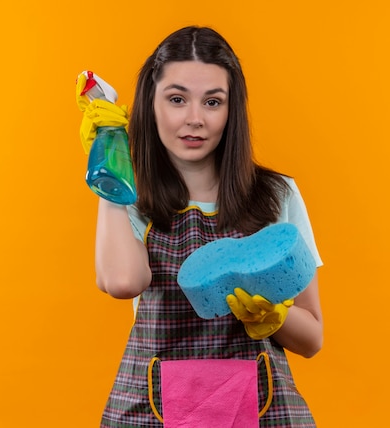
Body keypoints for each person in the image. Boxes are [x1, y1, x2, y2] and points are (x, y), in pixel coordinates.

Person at [77, 25, 324, 427]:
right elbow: (122, 281)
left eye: (212, 102)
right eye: (177, 99)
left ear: (231, 110)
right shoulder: (132, 197)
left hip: (263, 410)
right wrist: (111, 169)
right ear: (150, 104)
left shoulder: (276, 194)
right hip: (151, 410)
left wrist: (275, 316)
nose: (195, 119)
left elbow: (312, 338)